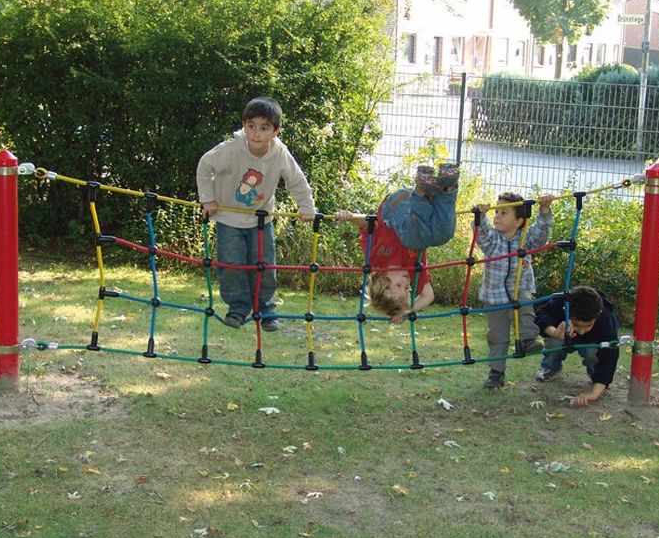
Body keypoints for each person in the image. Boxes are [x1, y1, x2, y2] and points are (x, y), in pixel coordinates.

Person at [196, 96, 315, 331]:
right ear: (244, 125)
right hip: (228, 217)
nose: (256, 134)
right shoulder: (231, 149)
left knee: (265, 264)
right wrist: (208, 199)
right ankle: (238, 309)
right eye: (251, 126)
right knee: (232, 264)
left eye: (264, 128)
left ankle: (266, 309)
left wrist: (306, 207)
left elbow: (296, 180)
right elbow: (205, 166)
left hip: (261, 220)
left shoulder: (279, 153)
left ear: (276, 131)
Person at [335, 164, 459, 322]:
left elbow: (368, 225)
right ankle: (448, 186)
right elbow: (429, 296)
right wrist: (406, 311)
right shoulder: (413, 270)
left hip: (395, 205)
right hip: (421, 210)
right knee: (443, 236)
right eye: (407, 288)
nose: (406, 283)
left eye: (399, 286)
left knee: (414, 242)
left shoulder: (375, 260)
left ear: (383, 282)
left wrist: (350, 216)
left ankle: (422, 191)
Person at [475, 192, 555, 389]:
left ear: (519, 221)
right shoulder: (493, 241)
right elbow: (482, 234)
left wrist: (544, 210)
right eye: (496, 212)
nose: (497, 216)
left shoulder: (524, 240)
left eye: (504, 213)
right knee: (497, 336)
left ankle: (528, 338)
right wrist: (481, 216)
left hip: (519, 287)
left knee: (526, 304)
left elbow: (541, 235)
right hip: (495, 296)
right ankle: (496, 373)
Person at [534, 285, 620, 407]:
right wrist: (554, 331)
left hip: (592, 343)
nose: (582, 331)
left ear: (598, 315)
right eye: (577, 325)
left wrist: (594, 394)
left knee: (593, 353)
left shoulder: (607, 321)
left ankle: (595, 377)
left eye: (588, 326)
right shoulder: (562, 302)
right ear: (567, 310)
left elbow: (610, 356)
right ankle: (550, 368)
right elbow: (540, 314)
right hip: (564, 336)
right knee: (554, 342)